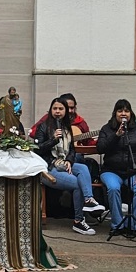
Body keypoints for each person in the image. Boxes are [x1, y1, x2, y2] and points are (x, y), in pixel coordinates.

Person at [33, 97, 104, 235]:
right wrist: (53, 140)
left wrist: (69, 161)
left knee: (83, 168)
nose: (58, 112)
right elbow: (38, 149)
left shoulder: (67, 128)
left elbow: (72, 150)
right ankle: (78, 221)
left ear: (65, 111)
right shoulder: (43, 127)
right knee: (78, 184)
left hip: (63, 164)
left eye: (61, 109)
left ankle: (89, 200)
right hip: (48, 168)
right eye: (55, 109)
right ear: (50, 110)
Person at [96, 99, 136, 236]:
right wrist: (116, 136)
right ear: (115, 113)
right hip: (111, 171)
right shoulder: (106, 129)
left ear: (131, 113)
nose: (123, 113)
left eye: (126, 111)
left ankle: (134, 224)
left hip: (133, 172)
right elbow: (100, 148)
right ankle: (117, 224)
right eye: (120, 111)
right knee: (113, 188)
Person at [30, 93, 96, 145]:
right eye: (67, 108)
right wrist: (51, 136)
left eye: (72, 108)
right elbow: (33, 132)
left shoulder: (80, 122)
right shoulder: (48, 118)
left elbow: (88, 142)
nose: (69, 111)